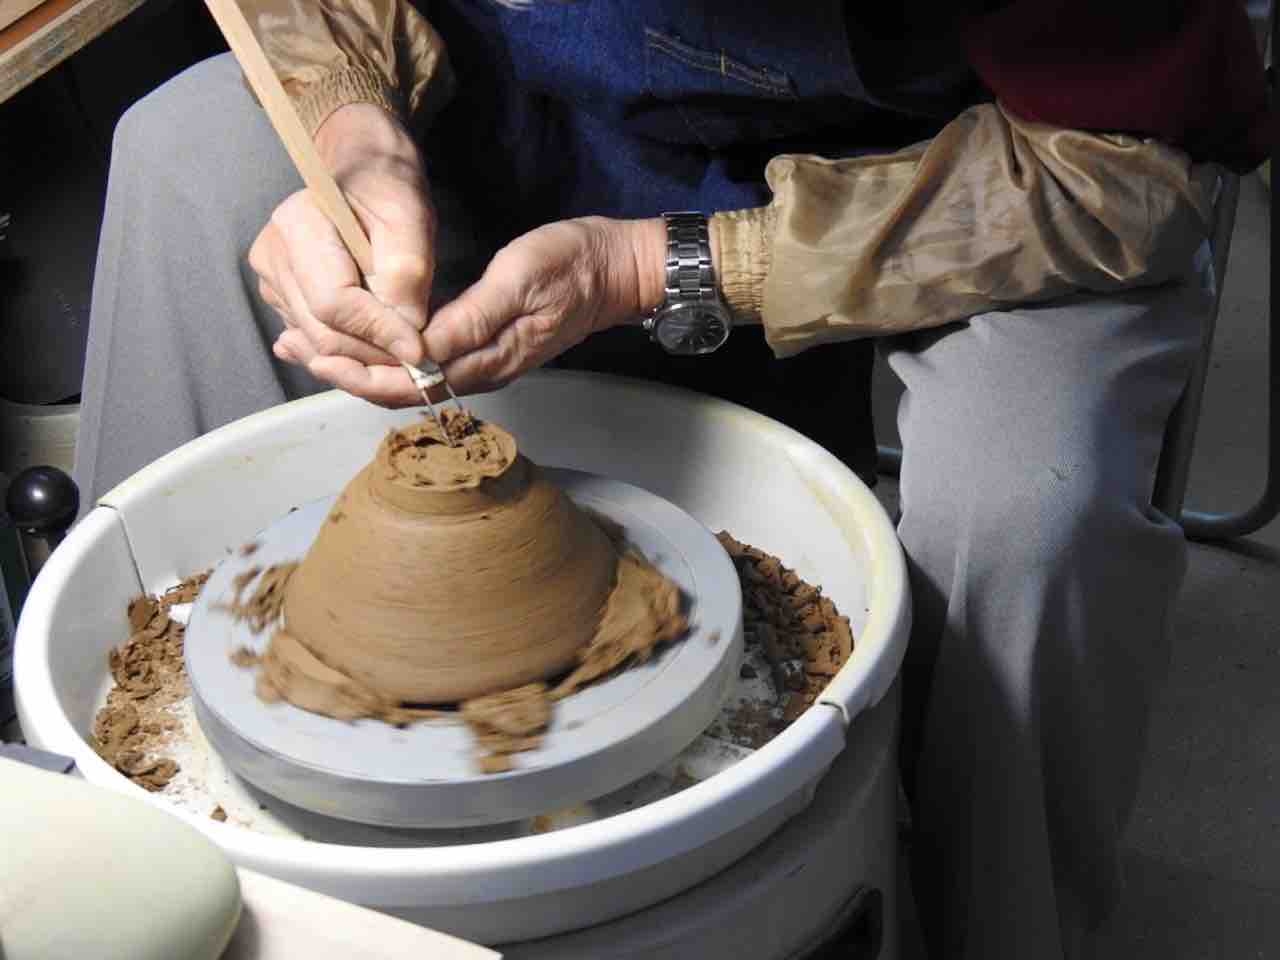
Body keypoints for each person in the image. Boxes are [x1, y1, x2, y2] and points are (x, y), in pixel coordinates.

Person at [72, 1, 1271, 956]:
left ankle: (987, 926)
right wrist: (352, 134)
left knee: (1029, 503)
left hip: (979, 172)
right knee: (186, 156)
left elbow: (1122, 171)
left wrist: (660, 269)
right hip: (530, 103)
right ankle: (146, 864)